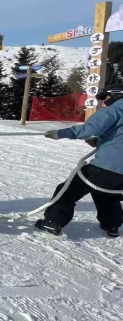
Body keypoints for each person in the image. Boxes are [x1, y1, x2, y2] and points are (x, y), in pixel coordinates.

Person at [37, 89, 123, 238]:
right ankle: (112, 224)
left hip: (108, 168)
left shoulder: (117, 109)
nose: (105, 102)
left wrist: (62, 133)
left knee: (68, 189)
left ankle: (53, 221)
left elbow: (90, 128)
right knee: (106, 192)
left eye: (106, 99)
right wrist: (99, 142)